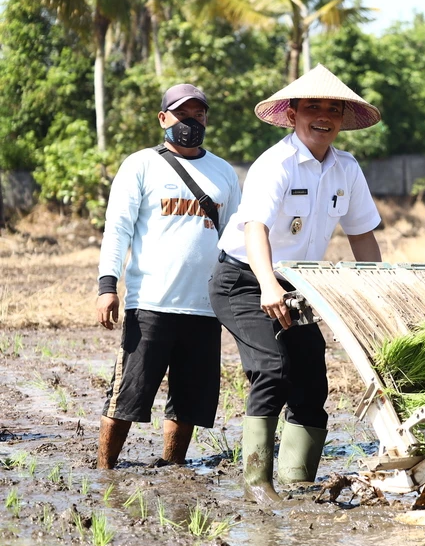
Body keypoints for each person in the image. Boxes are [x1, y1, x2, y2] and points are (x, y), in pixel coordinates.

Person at [209, 64, 382, 503]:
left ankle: (297, 479)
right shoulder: (276, 163)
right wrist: (269, 286)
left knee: (310, 379)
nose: (323, 116)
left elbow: (362, 234)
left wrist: (375, 291)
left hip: (297, 284)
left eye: (333, 109)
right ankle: (256, 483)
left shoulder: (346, 168)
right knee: (272, 369)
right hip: (246, 280)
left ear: (343, 119)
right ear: (292, 114)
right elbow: (254, 229)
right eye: (312, 107)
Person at [96, 83, 241, 468]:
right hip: (150, 305)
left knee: (189, 402)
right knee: (127, 397)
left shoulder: (223, 172)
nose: (191, 122)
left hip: (205, 308)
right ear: (163, 118)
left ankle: (172, 467)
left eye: (199, 114)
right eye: (182, 114)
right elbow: (117, 229)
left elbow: (236, 238)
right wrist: (107, 286)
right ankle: (104, 470)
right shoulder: (141, 164)